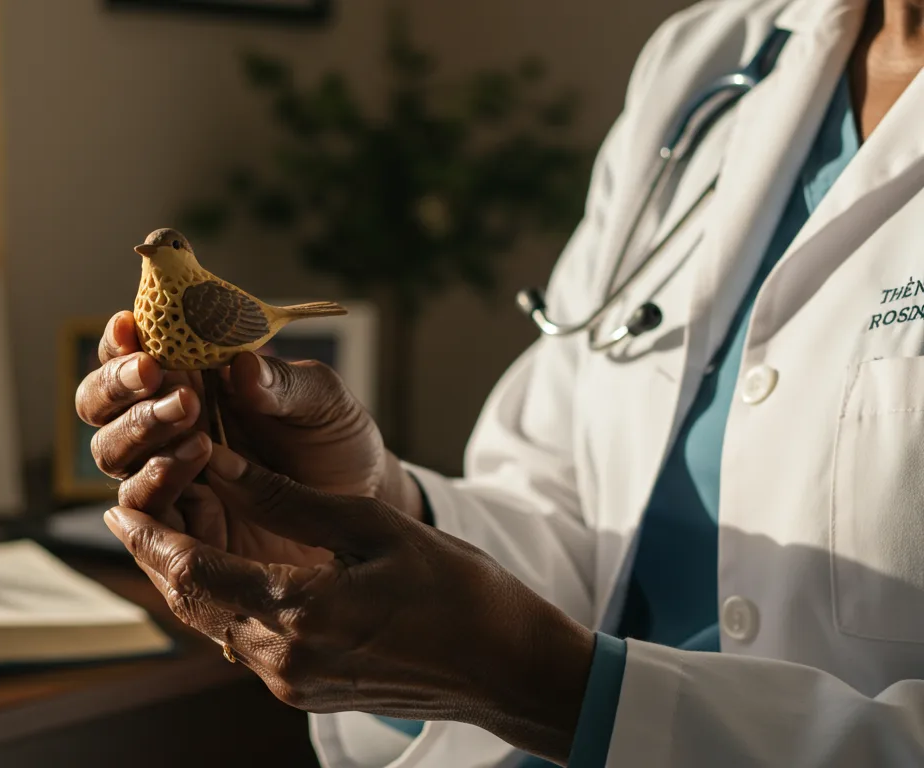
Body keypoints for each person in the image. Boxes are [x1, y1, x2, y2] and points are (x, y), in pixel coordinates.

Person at [77, 1, 924, 765]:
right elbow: (567, 509)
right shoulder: (711, 58)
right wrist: (363, 519)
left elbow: (538, 669)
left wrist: (540, 684)